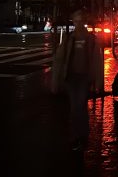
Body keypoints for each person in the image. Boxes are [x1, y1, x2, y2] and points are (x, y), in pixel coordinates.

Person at [50, 9, 104, 151]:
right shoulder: (69, 39)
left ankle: (79, 136)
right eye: (76, 21)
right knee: (76, 106)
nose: (78, 23)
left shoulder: (91, 39)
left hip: (84, 77)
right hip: (71, 77)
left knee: (78, 106)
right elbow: (59, 59)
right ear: (73, 22)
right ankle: (79, 136)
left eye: (80, 21)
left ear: (84, 22)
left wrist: (98, 82)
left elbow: (97, 61)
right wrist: (55, 81)